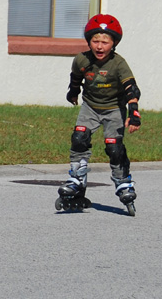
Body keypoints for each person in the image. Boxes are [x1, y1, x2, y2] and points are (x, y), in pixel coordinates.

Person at [57, 14, 143, 215]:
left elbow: (131, 89)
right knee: (79, 137)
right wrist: (73, 92)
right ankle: (77, 178)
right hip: (90, 107)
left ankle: (123, 182)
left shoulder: (119, 63)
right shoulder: (81, 59)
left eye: (105, 42)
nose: (99, 46)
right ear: (89, 41)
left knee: (114, 147)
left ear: (114, 43)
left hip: (114, 109)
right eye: (95, 40)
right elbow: (76, 77)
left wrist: (135, 113)